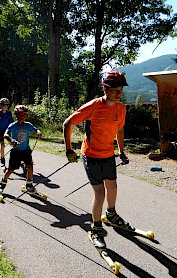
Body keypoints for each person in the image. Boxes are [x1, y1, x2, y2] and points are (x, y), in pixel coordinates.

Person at [63, 71, 130, 249]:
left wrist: (121, 151)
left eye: (121, 89)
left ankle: (111, 214)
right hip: (91, 155)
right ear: (105, 89)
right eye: (116, 90)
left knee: (113, 186)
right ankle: (96, 227)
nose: (119, 93)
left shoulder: (120, 108)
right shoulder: (94, 106)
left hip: (108, 154)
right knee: (99, 193)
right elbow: (68, 123)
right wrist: (69, 150)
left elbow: (120, 130)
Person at [0, 105, 42, 195]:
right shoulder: (13, 125)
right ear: (16, 116)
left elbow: (35, 129)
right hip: (16, 151)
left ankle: (29, 185)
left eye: (24, 115)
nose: (22, 117)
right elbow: (6, 134)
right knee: (11, 169)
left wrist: (38, 132)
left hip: (26, 150)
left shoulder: (28, 125)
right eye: (20, 115)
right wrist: (12, 140)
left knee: (30, 166)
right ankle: (2, 183)